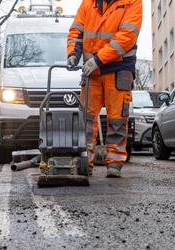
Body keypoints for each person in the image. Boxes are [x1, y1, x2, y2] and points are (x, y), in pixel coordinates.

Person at [67, 0, 142, 177]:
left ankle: (114, 163)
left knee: (117, 118)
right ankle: (85, 160)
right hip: (92, 70)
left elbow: (126, 36)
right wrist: (73, 53)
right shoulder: (89, 3)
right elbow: (76, 31)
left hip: (118, 68)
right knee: (86, 118)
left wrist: (98, 59)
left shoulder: (132, 3)